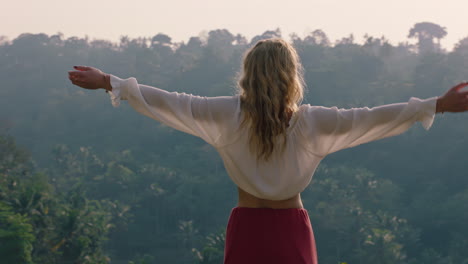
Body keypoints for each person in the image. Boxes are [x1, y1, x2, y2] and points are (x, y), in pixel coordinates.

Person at [68, 38, 468, 264]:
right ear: (291, 77)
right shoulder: (311, 121)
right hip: (292, 230)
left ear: (246, 76)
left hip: (247, 229)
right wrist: (436, 105)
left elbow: (169, 101)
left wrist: (108, 81)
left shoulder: (225, 114)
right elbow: (370, 118)